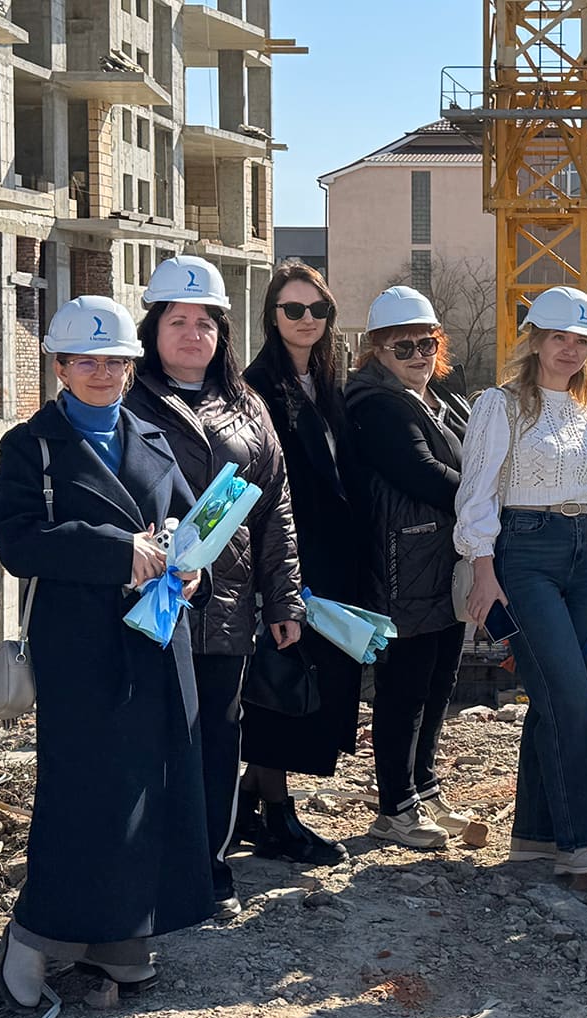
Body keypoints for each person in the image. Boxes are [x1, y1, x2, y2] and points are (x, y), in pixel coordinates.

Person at [0, 295, 210, 1006]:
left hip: (157, 639)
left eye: (114, 361)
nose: (102, 374)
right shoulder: (31, 447)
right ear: (59, 367)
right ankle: (34, 937)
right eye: (86, 361)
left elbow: (187, 523)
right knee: (81, 794)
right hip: (81, 649)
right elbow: (18, 542)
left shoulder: (153, 436)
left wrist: (192, 568)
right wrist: (118, 551)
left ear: (131, 366)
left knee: (150, 789)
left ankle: (122, 940)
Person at [122, 255, 306, 916]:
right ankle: (147, 869)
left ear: (222, 333)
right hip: (149, 607)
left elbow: (275, 508)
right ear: (153, 329)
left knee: (217, 741)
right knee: (150, 741)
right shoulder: (126, 400)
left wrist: (284, 598)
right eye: (177, 320)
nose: (192, 334)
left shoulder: (246, 406)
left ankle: (207, 867)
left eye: (205, 322)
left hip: (226, 607)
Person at [455, 286, 587, 878]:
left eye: (582, 340)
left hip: (584, 555)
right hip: (523, 551)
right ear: (534, 340)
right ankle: (580, 842)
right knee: (569, 694)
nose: (570, 350)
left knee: (556, 692)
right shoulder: (498, 405)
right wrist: (483, 568)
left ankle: (533, 835)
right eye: (559, 337)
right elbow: (477, 491)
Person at [238, 261, 362, 866]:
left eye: (318, 309)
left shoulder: (329, 381)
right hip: (286, 559)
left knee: (311, 686)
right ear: (272, 316)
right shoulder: (257, 386)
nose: (306, 319)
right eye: (293, 309)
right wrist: (275, 572)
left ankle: (243, 805)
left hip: (331, 561)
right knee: (278, 688)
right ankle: (279, 818)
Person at [343, 286, 474, 850]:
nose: (418, 355)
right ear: (377, 350)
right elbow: (423, 474)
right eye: (403, 347)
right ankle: (395, 804)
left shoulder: (433, 401)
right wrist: (489, 500)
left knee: (440, 679)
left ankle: (423, 786)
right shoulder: (377, 407)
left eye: (426, 344)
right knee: (406, 687)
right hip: (404, 564)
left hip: (439, 559)